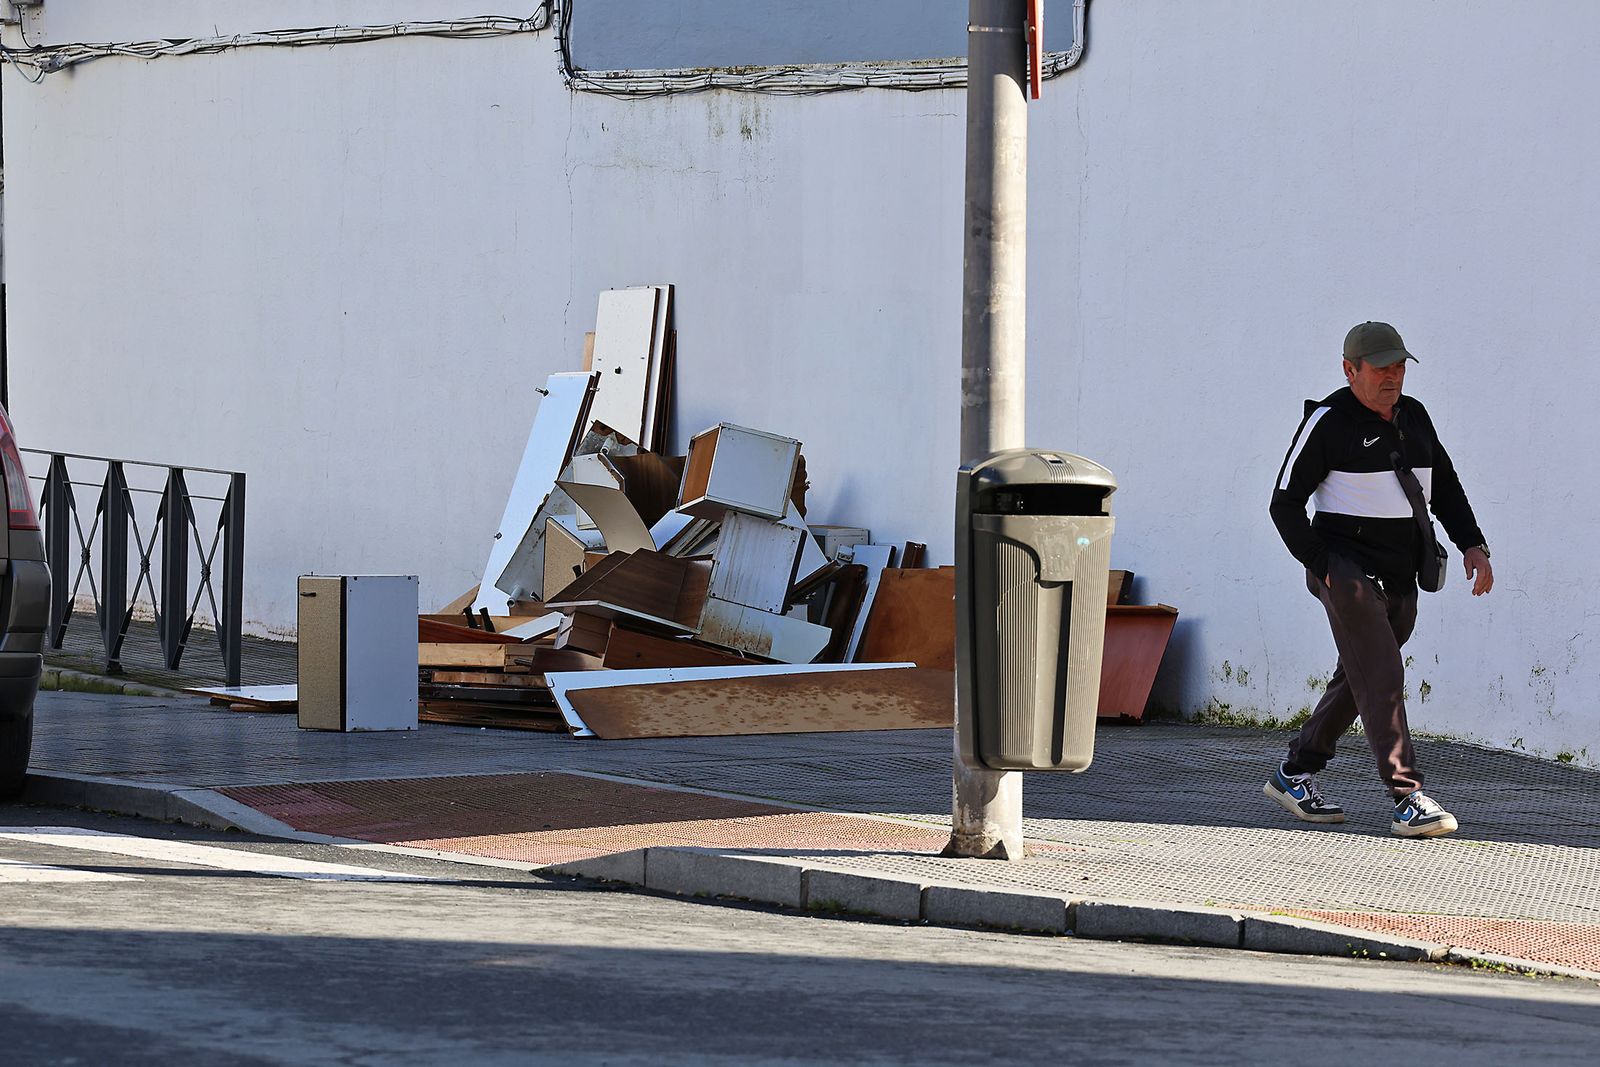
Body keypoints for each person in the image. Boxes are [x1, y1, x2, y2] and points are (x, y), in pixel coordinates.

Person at [1266, 321, 1492, 838]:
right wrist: (1323, 565)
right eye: (1381, 367)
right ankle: (1407, 797)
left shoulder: (1415, 417)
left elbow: (1446, 484)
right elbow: (1283, 503)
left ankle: (1295, 772)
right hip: (1344, 568)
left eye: (1399, 366)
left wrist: (1472, 544)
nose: (1392, 376)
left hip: (1400, 571)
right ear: (1350, 370)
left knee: (1362, 673)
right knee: (1384, 673)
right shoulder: (1328, 422)